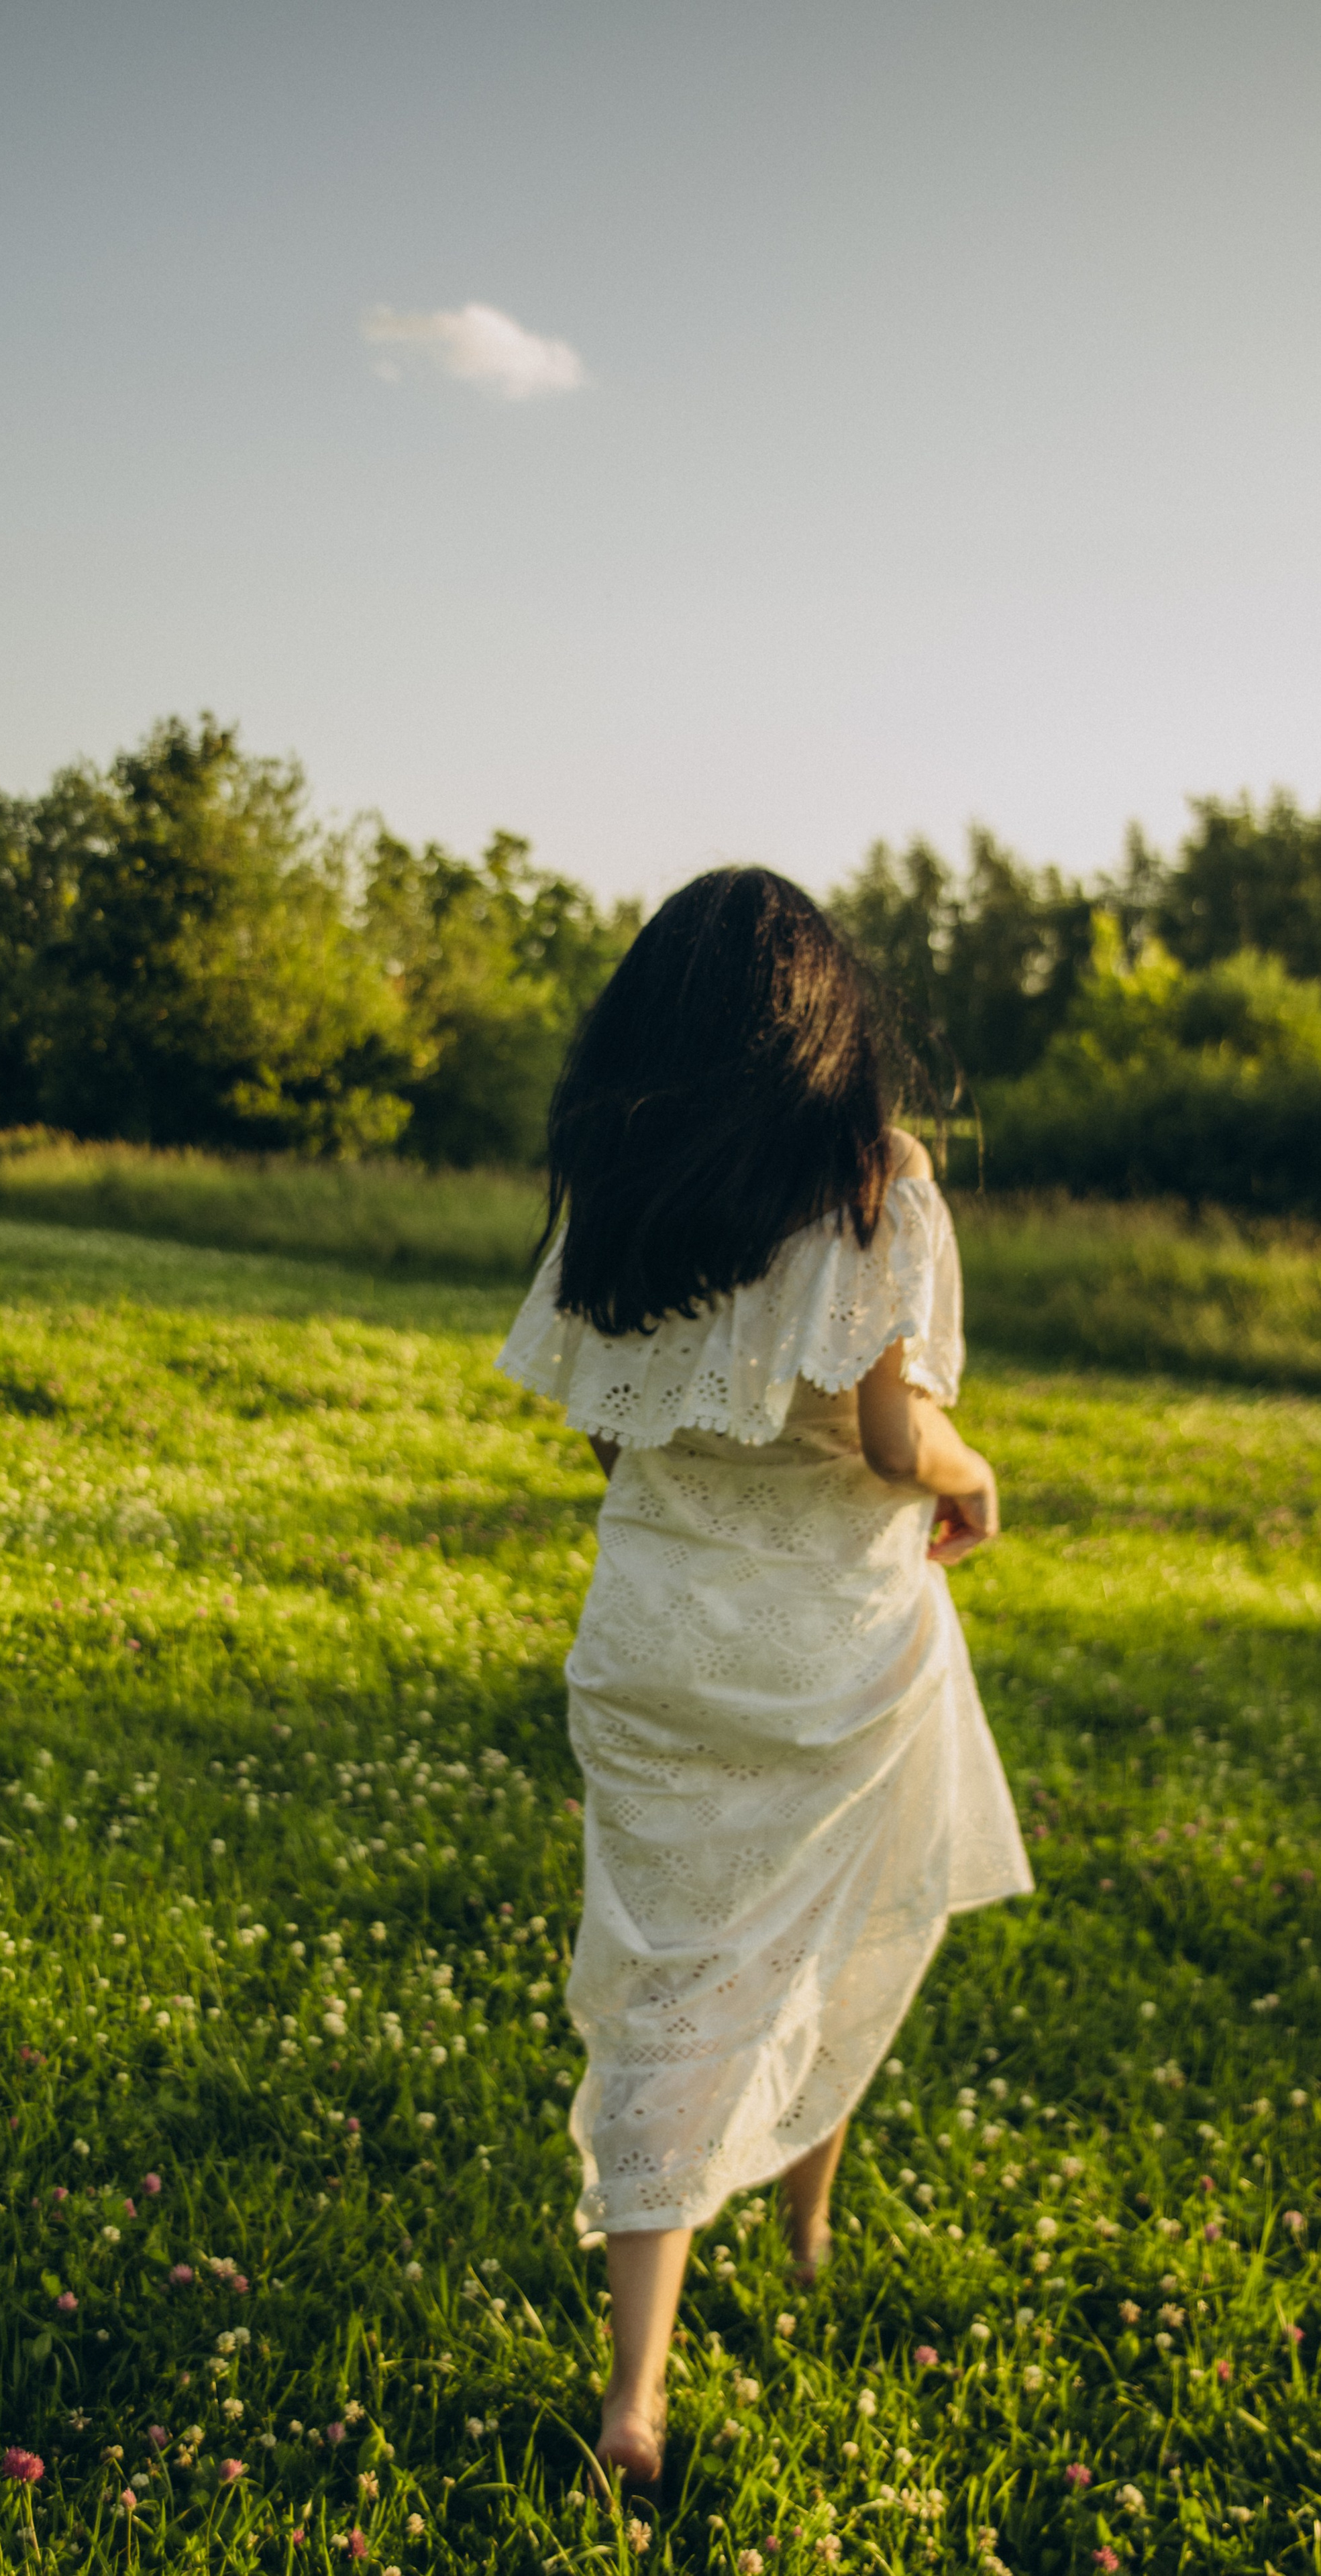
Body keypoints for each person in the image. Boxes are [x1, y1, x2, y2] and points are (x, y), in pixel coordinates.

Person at [496, 866, 1031, 2491]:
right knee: (848, 1914)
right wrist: (975, 1475)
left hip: (654, 1643)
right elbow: (892, 1439)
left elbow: (608, 1432)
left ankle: (633, 2398)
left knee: (667, 1981)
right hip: (830, 1647)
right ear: (822, 1020)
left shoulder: (619, 1187)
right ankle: (802, 2237)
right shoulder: (874, 1177)